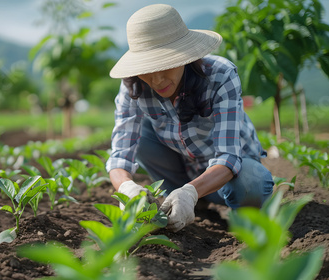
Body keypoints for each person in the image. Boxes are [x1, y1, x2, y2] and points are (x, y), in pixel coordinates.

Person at [105, 4, 274, 232]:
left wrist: (189, 192)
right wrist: (126, 187)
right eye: (147, 68)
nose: (157, 79)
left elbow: (229, 157)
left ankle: (242, 217)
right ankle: (187, 203)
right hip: (182, 171)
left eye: (165, 64)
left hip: (229, 178)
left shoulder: (220, 76)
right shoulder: (133, 87)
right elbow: (119, 158)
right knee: (142, 135)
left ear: (184, 55)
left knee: (251, 184)